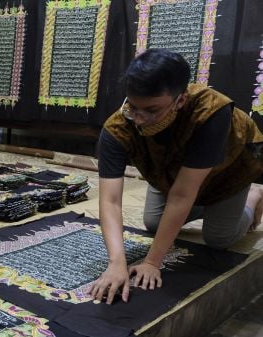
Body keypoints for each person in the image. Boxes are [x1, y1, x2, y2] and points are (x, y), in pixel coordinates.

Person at [90, 48, 263, 304]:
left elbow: (182, 195)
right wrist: (117, 262)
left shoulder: (212, 113)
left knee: (219, 239)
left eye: (151, 110)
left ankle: (253, 196)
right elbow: (111, 200)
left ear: (180, 101)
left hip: (227, 174)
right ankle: (206, 208)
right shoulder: (117, 129)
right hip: (172, 173)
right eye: (133, 107)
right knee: (154, 223)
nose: (140, 119)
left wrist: (151, 261)